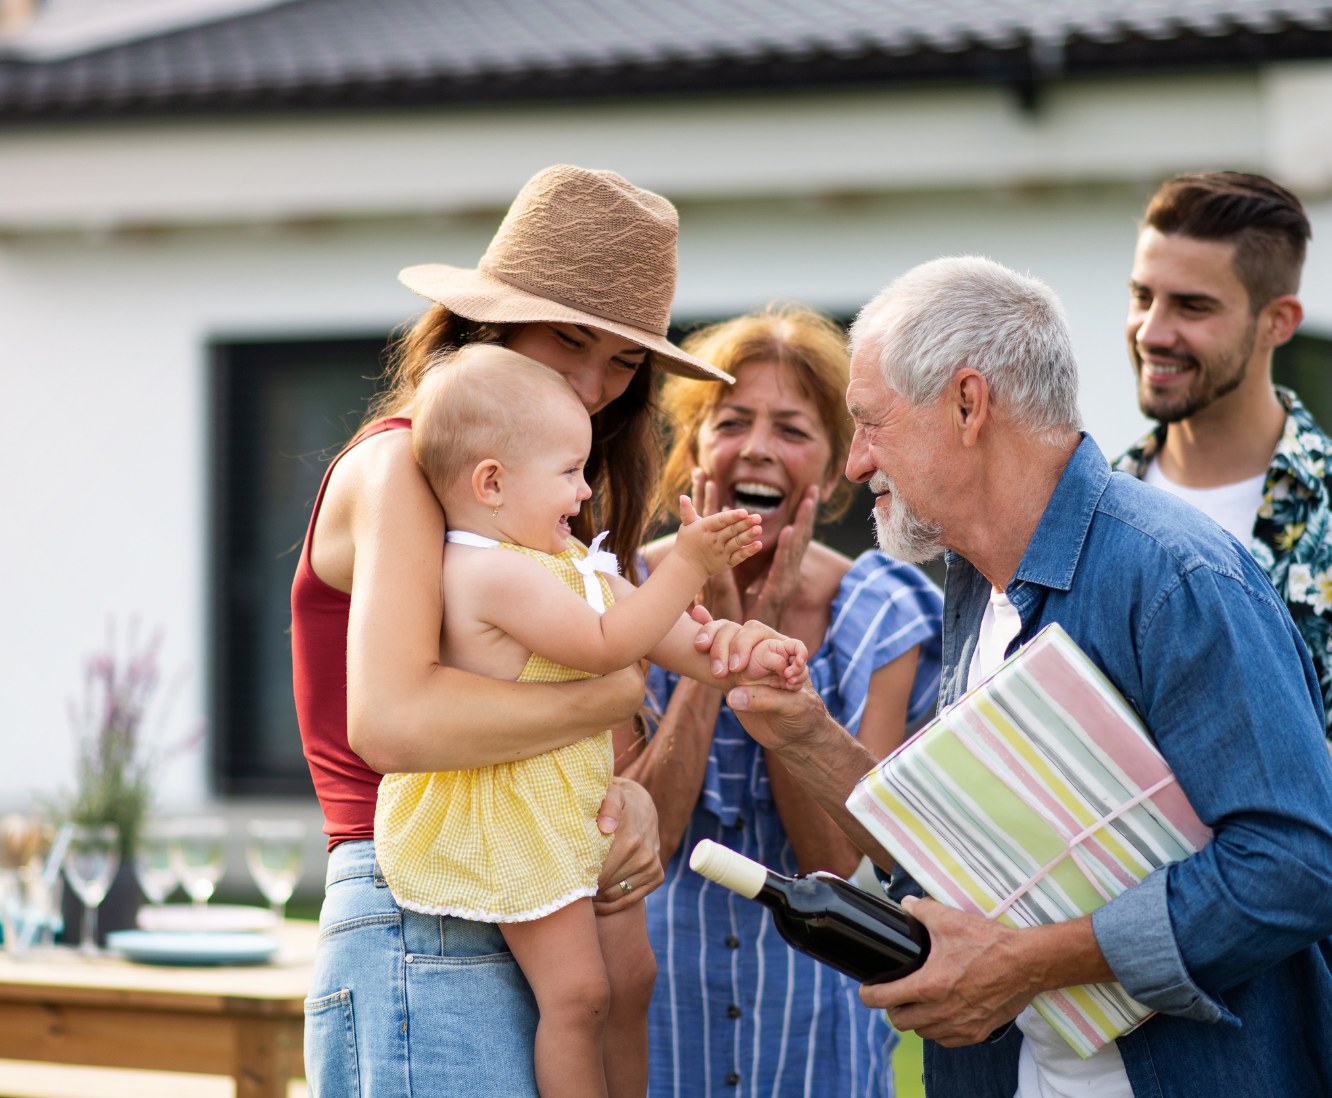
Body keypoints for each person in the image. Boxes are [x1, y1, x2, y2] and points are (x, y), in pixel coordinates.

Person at [713, 257, 1332, 1098]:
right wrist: (804, 733)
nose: (854, 463)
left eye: (871, 423)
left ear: (968, 403)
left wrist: (1022, 965)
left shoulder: (1177, 579)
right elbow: (965, 856)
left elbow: (1296, 865)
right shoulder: (973, 582)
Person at [291, 164, 773, 1098]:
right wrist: (610, 689)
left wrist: (624, 799)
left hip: (524, 891)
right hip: (415, 912)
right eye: (569, 340)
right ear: (487, 324)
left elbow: (568, 733)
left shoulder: (546, 509)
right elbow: (391, 723)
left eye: (626, 363)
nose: (594, 386)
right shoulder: (401, 467)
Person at [374, 344, 808, 1098]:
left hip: (567, 805)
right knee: (578, 996)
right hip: (513, 817)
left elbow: (673, 637)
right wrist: (686, 563)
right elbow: (610, 644)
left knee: (631, 975)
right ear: (492, 482)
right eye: (569, 472)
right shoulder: (486, 571)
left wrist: (739, 650)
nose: (584, 489)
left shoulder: (557, 556)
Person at [619, 304, 945, 1097]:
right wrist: (719, 649)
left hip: (816, 1026)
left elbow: (838, 865)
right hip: (658, 1010)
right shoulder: (618, 594)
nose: (758, 447)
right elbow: (640, 853)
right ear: (693, 454)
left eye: (793, 429)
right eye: (731, 422)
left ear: (835, 469)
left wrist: (759, 656)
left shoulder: (885, 611)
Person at [1111, 171, 1332, 741]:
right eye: (1142, 296)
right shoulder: (1091, 508)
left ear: (1277, 322)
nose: (1151, 332)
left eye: (1192, 307)